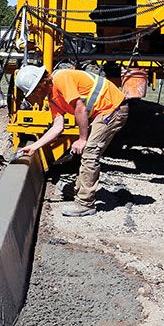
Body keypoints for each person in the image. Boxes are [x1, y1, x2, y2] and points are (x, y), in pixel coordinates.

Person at [15, 66, 129, 217]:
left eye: (34, 92)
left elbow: (80, 109)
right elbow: (58, 126)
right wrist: (34, 146)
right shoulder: (53, 97)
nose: (35, 96)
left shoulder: (61, 78)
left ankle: (85, 204)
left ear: (41, 84)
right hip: (102, 112)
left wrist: (82, 139)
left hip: (112, 109)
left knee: (90, 151)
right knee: (87, 151)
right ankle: (79, 191)